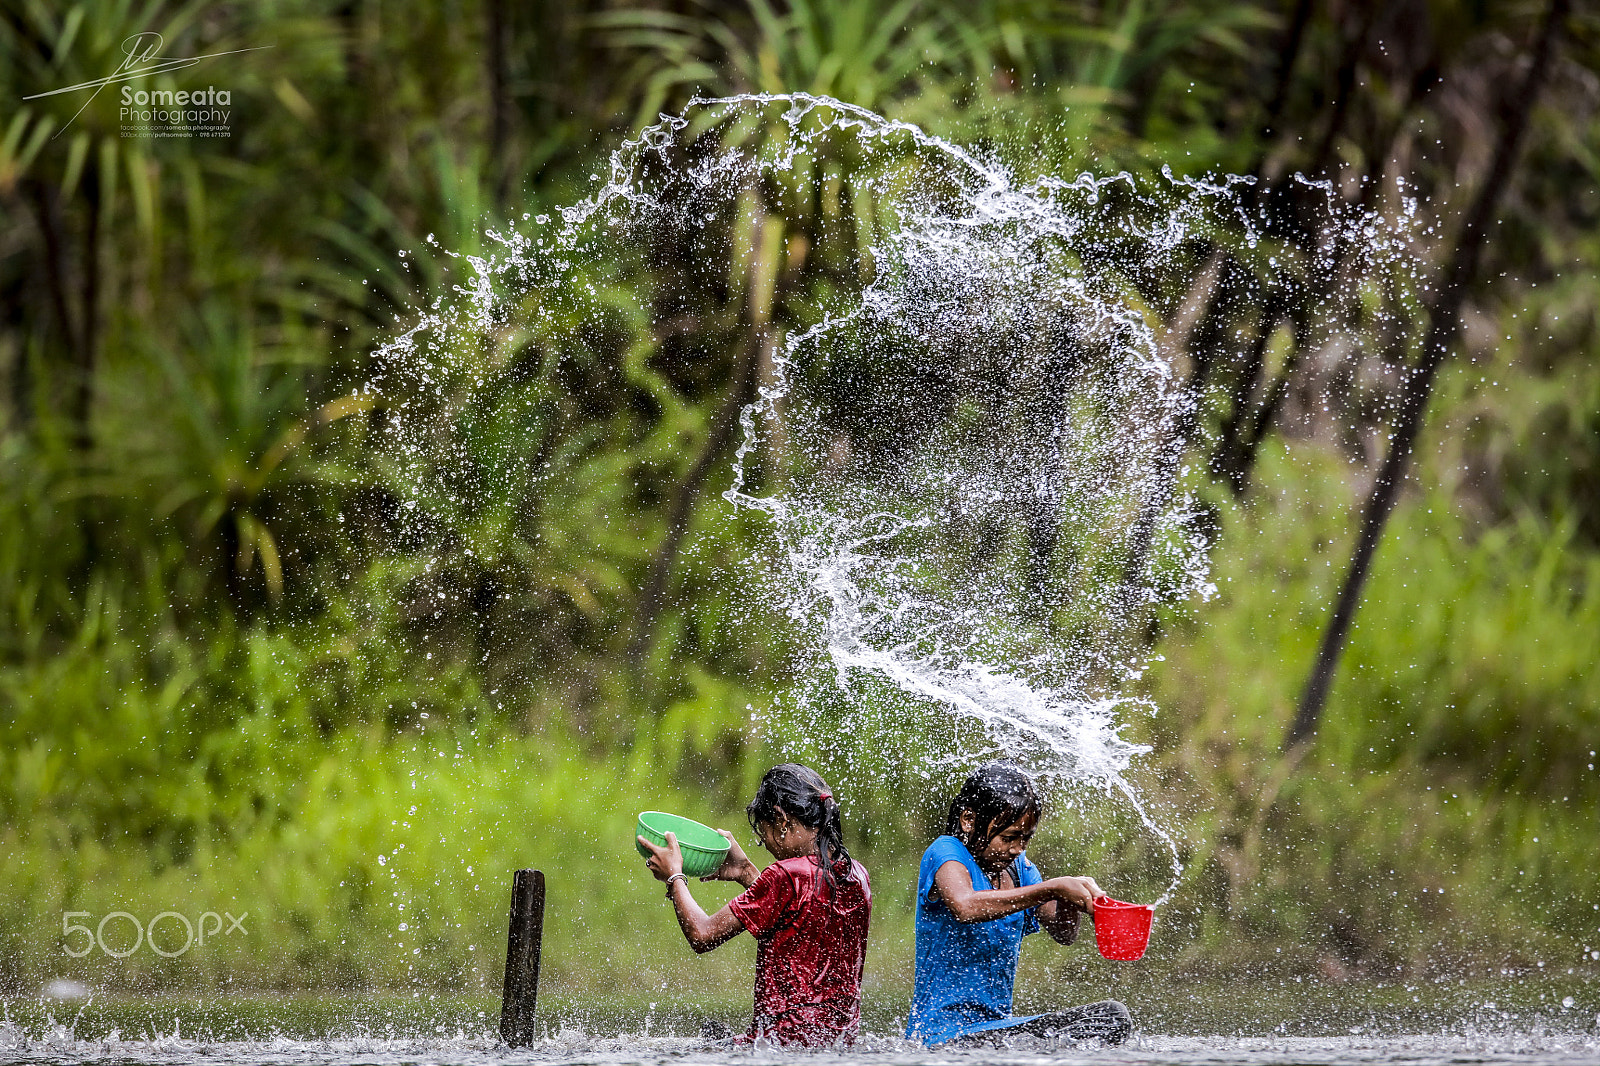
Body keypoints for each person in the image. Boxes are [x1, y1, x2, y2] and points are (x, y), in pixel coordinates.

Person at [637, 763, 871, 1047]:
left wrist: (675, 876)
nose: (768, 845)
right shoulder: (855, 874)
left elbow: (702, 934)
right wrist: (747, 872)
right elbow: (796, 916)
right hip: (838, 1045)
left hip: (779, 1046)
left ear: (782, 820)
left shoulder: (785, 875)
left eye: (765, 834)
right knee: (715, 1035)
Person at [906, 761, 1133, 1047]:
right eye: (1009, 838)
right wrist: (1053, 887)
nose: (1017, 849)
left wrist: (1071, 898)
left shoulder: (1021, 871)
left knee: (1111, 1019)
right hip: (942, 1035)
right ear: (968, 820)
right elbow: (965, 906)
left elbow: (1065, 934)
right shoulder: (946, 852)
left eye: (1025, 839)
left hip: (998, 1031)